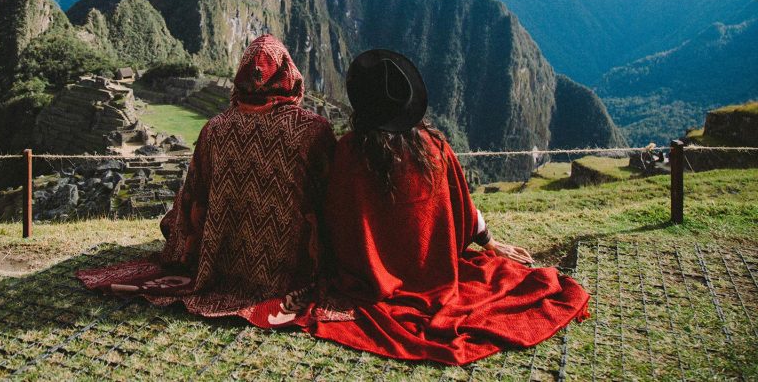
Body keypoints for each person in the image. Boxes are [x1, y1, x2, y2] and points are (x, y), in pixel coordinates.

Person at [309, 49, 590, 365]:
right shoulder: (435, 148)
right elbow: (463, 209)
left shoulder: (348, 154)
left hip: (369, 279)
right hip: (434, 274)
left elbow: (336, 217)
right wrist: (491, 244)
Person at [76, 34, 337, 326]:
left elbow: (193, 198)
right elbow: (333, 202)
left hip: (220, 262)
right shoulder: (313, 131)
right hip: (289, 268)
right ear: (288, 73)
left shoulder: (216, 128)